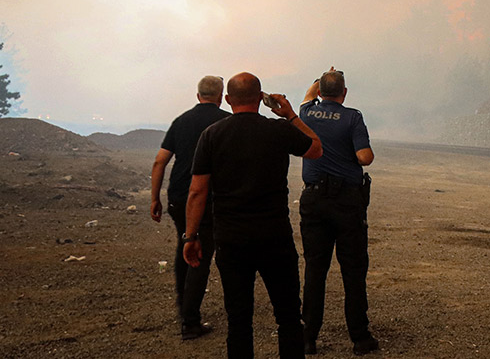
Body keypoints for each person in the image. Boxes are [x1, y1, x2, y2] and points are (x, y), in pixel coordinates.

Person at [184, 72, 323, 359]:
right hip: (275, 238)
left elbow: (197, 192)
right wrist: (291, 116)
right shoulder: (278, 130)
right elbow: (316, 149)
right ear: (262, 99)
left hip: (231, 240)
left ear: (227, 100)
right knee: (287, 317)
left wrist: (191, 236)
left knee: (239, 321)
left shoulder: (211, 135)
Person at [298, 69, 379, 356]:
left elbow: (307, 97)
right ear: (344, 93)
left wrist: (319, 79)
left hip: (314, 200)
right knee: (353, 271)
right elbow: (364, 157)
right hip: (347, 202)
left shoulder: (306, 113)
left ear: (320, 92)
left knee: (315, 270)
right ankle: (359, 337)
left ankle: (307, 337)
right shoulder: (353, 117)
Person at [150, 75, 230, 340]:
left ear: (198, 96)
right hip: (207, 199)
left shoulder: (181, 121)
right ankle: (190, 322)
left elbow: (160, 162)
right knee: (199, 255)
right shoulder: (225, 121)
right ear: (220, 96)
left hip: (178, 197)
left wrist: (155, 198)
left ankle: (183, 307)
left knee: (184, 244)